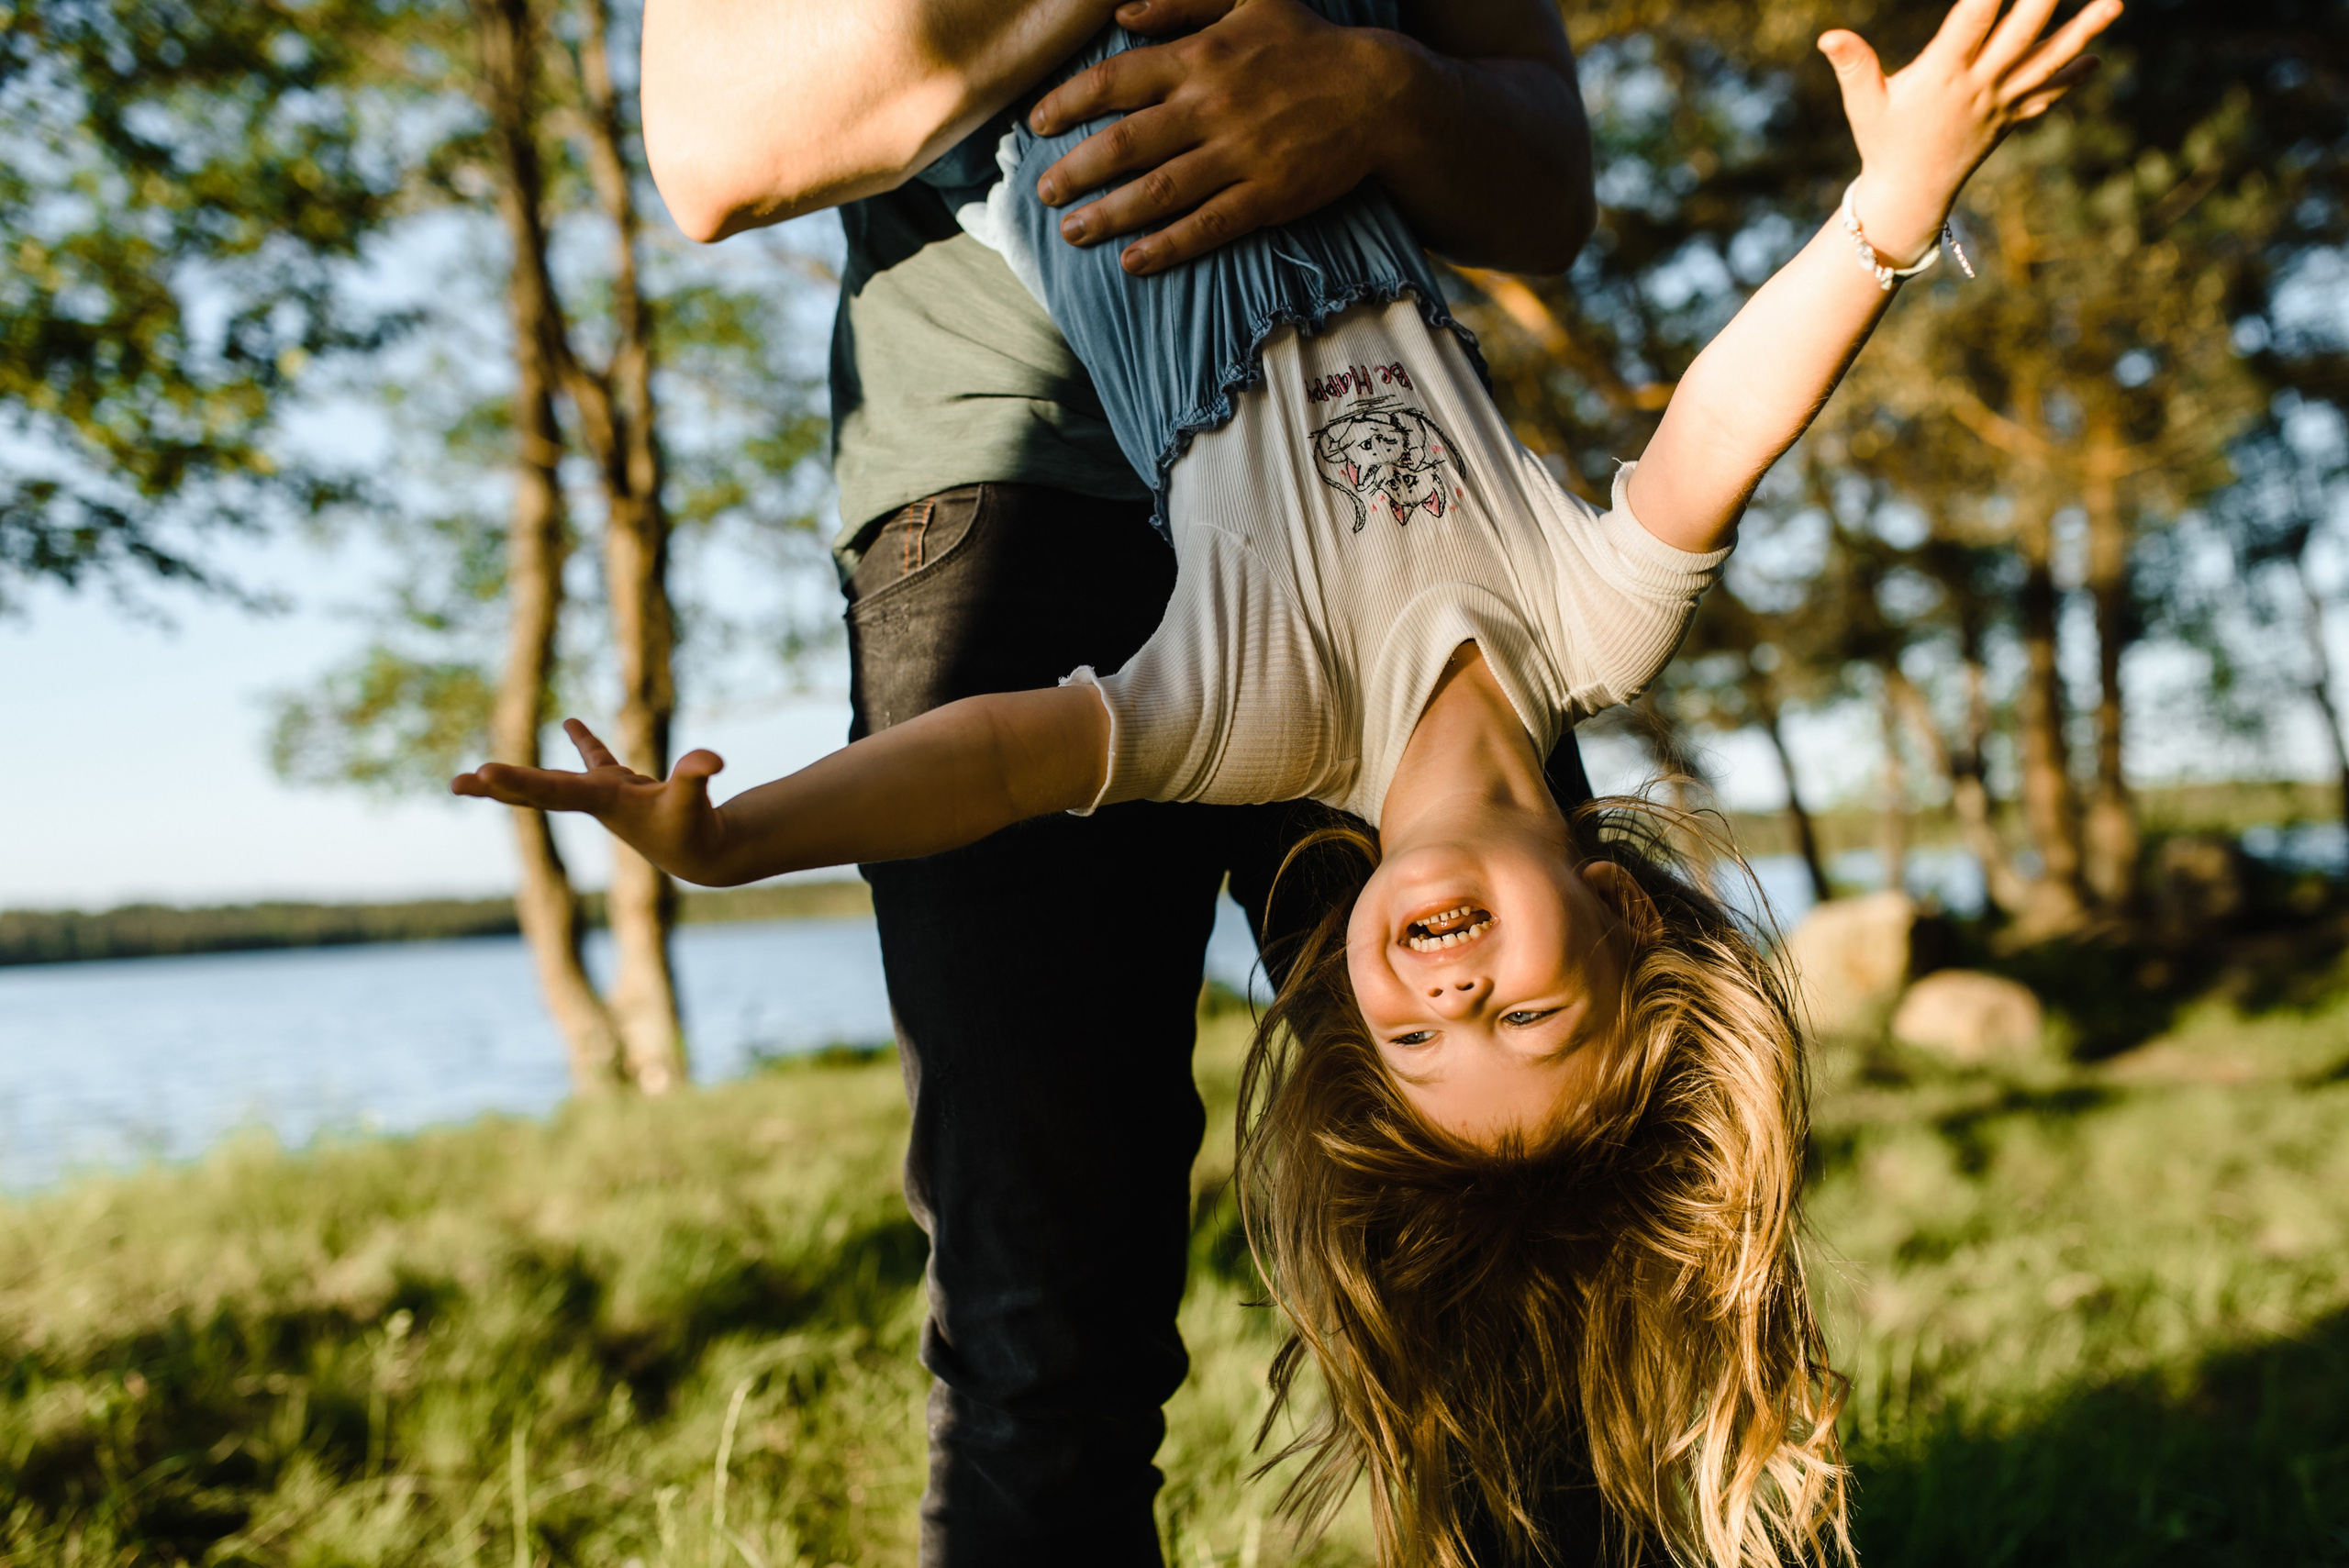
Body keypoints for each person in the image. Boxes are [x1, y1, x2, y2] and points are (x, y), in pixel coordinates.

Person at [460, 2, 2121, 1560]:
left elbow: (999, 758)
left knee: (1441, 1330)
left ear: (1347, 993)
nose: (1453, 991)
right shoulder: (1590, 622)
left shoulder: (1252, 704)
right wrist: (1888, 213)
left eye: (1414, 1039)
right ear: (1620, 910)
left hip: (1063, 169)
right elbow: (1728, 419)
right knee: (1084, 1315)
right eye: (1526, 1016)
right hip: (976, 455)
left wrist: (741, 835)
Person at [635, 4, 1606, 1564]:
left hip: (1388, 514)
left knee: (1539, 1267)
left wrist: (1386, 93)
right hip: (997, 500)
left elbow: (1550, 183)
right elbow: (714, 146)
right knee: (1044, 1343)